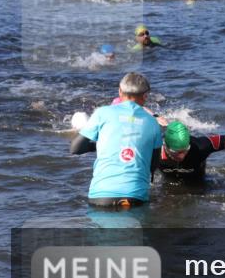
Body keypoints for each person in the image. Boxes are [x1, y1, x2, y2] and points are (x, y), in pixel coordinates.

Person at [70, 72, 163, 208]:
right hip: (135, 197)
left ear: (120, 91)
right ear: (145, 96)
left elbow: (75, 148)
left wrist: (98, 145)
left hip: (101, 196)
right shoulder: (153, 122)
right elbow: (153, 166)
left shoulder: (102, 113)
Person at [158, 120, 225, 183]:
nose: (182, 156)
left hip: (198, 185)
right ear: (165, 146)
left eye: (186, 150)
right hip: (168, 184)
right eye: (177, 152)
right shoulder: (153, 151)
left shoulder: (200, 147)